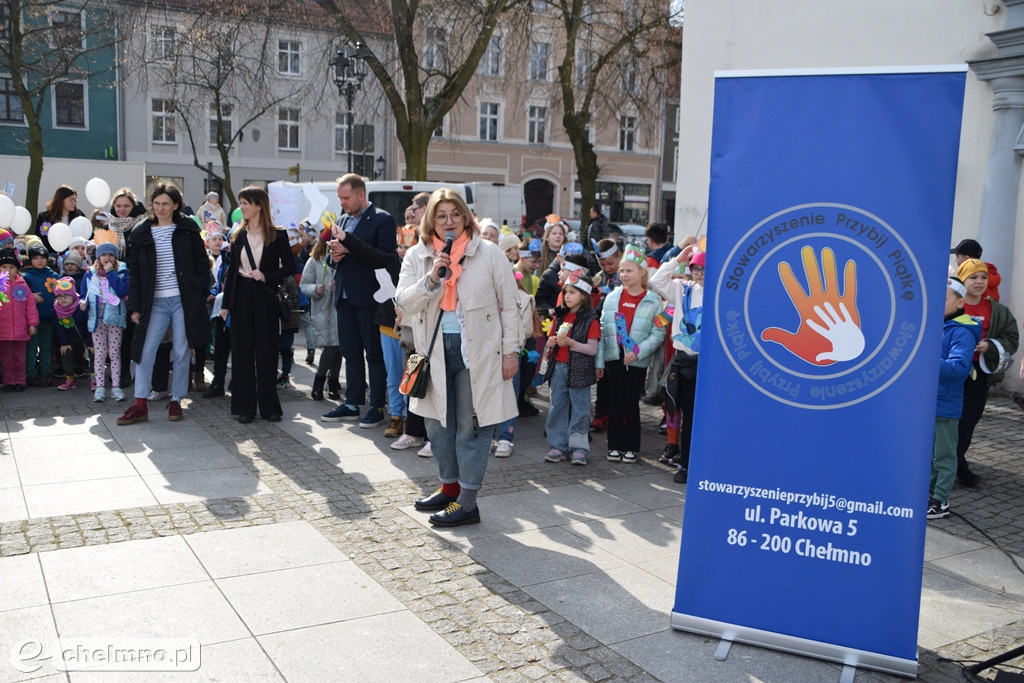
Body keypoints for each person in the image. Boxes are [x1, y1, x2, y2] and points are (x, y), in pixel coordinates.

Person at [395, 188, 519, 527]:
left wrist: (511, 351)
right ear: (430, 220)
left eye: (455, 215)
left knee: (471, 426)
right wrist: (432, 277)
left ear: (466, 217)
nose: (449, 222)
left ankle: (467, 501)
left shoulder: (490, 253)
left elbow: (511, 305)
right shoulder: (417, 256)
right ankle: (449, 488)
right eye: (441, 216)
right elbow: (403, 302)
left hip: (476, 352)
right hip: (432, 350)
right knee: (436, 425)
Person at [117, 183, 212, 426]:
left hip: (182, 300)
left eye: (166, 203)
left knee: (181, 351)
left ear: (176, 205)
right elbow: (135, 273)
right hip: (154, 302)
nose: (160, 208)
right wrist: (135, 306)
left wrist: (198, 290)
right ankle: (140, 403)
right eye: (157, 203)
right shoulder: (141, 232)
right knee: (145, 352)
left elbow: (202, 263)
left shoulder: (188, 229)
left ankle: (177, 400)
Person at [320, 174, 397, 427]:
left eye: (346, 197)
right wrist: (335, 255)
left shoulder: (382, 219)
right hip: (344, 296)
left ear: (361, 195)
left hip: (369, 298)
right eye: (339, 197)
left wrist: (348, 248)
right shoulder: (341, 220)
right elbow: (333, 258)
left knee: (373, 355)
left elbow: (383, 258)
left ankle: (376, 405)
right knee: (350, 352)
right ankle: (352, 403)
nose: (341, 202)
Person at [218, 186, 294, 423]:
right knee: (241, 353)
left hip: (265, 297)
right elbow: (231, 274)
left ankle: (269, 407)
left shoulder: (277, 235)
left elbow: (290, 267)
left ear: (259, 205)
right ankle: (245, 407)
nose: (242, 208)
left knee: (267, 352)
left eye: (246, 203)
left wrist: (268, 276)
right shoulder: (237, 235)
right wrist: (226, 305)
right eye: (240, 203)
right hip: (241, 296)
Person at [596, 246, 666, 463]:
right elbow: (602, 329)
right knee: (615, 401)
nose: (624, 275)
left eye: (629, 271)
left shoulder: (653, 300)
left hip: (636, 359)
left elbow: (658, 332)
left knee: (631, 402)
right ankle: (614, 445)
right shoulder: (613, 297)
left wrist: (638, 351)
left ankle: (631, 447)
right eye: (622, 271)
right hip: (614, 356)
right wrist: (599, 361)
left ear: (642, 272)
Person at [954, 258, 1019, 486]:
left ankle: (957, 463)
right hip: (952, 373)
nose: (979, 282)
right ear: (962, 280)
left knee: (968, 422)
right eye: (973, 277)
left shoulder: (997, 310)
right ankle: (950, 467)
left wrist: (990, 346)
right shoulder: (952, 305)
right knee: (947, 422)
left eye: (983, 277)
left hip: (979, 374)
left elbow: (1011, 338)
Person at [651, 246, 705, 484]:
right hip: (683, 361)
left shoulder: (719, 291)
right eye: (695, 268)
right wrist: (678, 259)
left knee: (699, 416)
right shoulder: (682, 289)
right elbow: (656, 280)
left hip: (706, 364)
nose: (700, 273)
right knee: (683, 414)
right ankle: (685, 462)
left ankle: (699, 463)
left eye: (704, 268)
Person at [929, 277, 981, 520]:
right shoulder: (936, 325)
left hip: (946, 406)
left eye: (945, 297)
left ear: (960, 302)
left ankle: (941, 501)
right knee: (928, 455)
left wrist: (925, 360)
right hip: (927, 405)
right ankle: (928, 495)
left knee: (944, 456)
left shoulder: (962, 330)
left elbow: (958, 369)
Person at [543, 271, 600, 466]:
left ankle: (578, 447)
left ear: (583, 296)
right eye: (565, 292)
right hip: (558, 368)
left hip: (580, 370)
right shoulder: (560, 315)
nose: (567, 296)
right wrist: (552, 342)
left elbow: (592, 349)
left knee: (580, 410)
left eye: (572, 292)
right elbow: (551, 341)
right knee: (557, 407)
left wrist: (571, 343)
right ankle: (557, 445)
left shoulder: (591, 319)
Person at [493, 269, 539, 458]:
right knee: (489, 394)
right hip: (488, 351)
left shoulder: (524, 298)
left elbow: (526, 329)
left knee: (510, 394)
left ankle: (505, 436)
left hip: (511, 350)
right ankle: (488, 434)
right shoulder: (488, 296)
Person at [81, 242, 129, 402]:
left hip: (115, 318)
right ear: (98, 257)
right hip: (96, 319)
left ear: (115, 257)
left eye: (110, 255)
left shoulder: (122, 271)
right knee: (99, 354)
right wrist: (82, 303)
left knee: (114, 353)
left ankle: (116, 387)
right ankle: (100, 387)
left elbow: (123, 290)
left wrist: (111, 273)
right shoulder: (90, 274)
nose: (107, 258)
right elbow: (83, 293)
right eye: (103, 255)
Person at [300, 230, 342, 402]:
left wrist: (338, 285)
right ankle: (321, 382)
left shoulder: (341, 259)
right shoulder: (315, 261)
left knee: (339, 347)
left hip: (339, 310)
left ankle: (332, 383)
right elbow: (304, 284)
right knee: (331, 346)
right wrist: (316, 289)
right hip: (323, 309)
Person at [0, 249, 37, 392]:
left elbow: (30, 306)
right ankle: (8, 381)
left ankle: (20, 380)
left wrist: (32, 323)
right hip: (3, 329)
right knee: (6, 358)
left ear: (17, 268)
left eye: (11, 267)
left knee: (20, 357)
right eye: (4, 267)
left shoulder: (23, 284)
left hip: (20, 329)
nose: (8, 270)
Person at [22, 243, 59, 386]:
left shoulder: (54, 275)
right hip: (32, 320)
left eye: (42, 258)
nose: (39, 261)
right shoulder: (26, 277)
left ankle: (45, 373)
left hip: (49, 318)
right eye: (35, 258)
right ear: (30, 260)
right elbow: (18, 293)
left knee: (46, 347)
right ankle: (31, 374)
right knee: (31, 348)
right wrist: (30, 295)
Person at [52, 277, 91, 391]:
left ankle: (95, 378)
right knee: (65, 352)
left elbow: (89, 324)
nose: (63, 299)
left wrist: (90, 343)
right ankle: (69, 378)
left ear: (73, 296)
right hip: (71, 335)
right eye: (59, 296)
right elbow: (59, 328)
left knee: (94, 351)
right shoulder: (56, 309)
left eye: (67, 296)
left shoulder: (81, 306)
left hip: (86, 334)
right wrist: (65, 342)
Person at [35, 185, 85, 254]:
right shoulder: (44, 217)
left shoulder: (79, 217)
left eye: (75, 200)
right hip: (49, 255)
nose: (74, 203)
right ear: (60, 200)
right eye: (71, 200)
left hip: (73, 256)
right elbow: (37, 238)